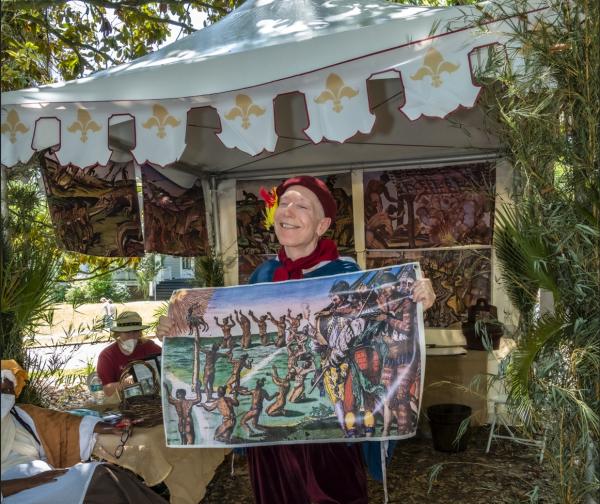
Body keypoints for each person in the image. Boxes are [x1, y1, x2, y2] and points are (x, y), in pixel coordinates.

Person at [157, 175, 436, 504]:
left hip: (328, 433)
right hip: (271, 444)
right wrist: (176, 331)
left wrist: (418, 299)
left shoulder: (346, 275)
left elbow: (378, 325)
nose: (288, 211)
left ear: (322, 225)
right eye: (284, 203)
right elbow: (222, 331)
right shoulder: (262, 275)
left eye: (302, 205)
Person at [0, 360, 166, 503]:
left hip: (42, 475)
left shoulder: (21, 414)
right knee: (104, 480)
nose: (6, 397)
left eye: (9, 391)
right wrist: (29, 482)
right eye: (1, 390)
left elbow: (63, 424)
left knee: (109, 477)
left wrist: (107, 426)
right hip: (14, 489)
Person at [96, 311, 161, 398]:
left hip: (153, 402)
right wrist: (127, 383)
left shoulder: (150, 347)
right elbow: (106, 390)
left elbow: (169, 366)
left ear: (140, 332)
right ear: (118, 333)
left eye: (135, 332)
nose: (131, 336)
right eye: (127, 332)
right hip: (124, 405)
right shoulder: (107, 356)